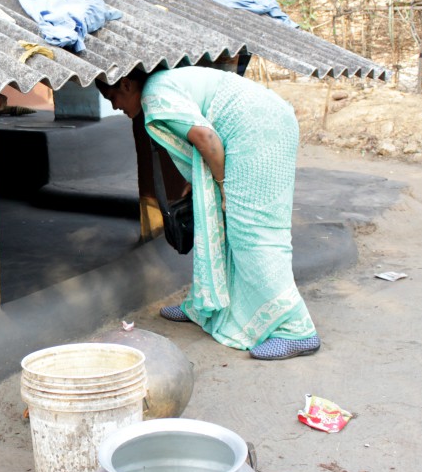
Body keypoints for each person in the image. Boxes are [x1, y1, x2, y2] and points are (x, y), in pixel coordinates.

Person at [96, 65, 320, 360]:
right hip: (257, 125)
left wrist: (223, 184)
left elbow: (205, 138)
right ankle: (205, 306)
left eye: (114, 97)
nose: (115, 107)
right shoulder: (162, 86)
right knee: (221, 224)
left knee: (252, 230)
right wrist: (199, 182)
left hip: (257, 130)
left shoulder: (155, 95)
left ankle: (297, 330)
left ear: (126, 85)